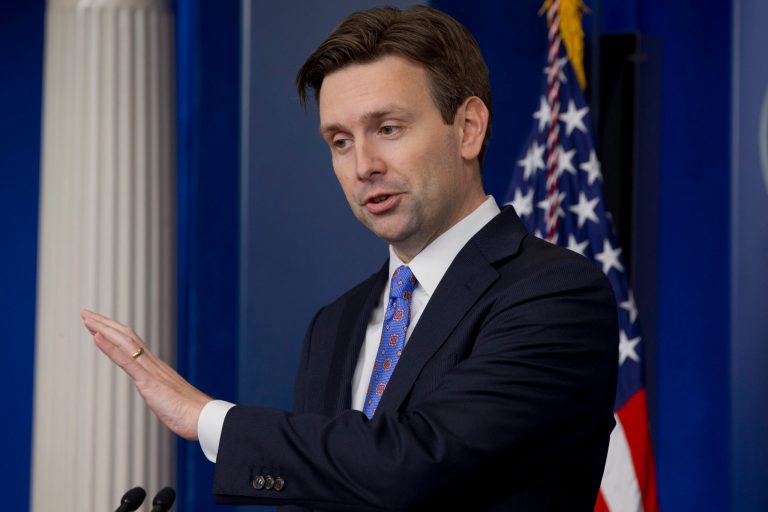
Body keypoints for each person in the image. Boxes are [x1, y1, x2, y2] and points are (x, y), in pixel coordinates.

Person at [82, 6, 618, 511]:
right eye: (340, 140)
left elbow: (414, 463)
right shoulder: (335, 324)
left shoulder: (556, 294)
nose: (363, 165)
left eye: (388, 129)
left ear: (468, 128)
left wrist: (206, 418)